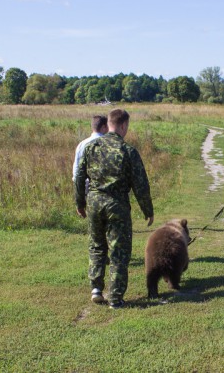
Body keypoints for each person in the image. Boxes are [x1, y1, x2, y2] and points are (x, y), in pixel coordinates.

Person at [75, 109, 154, 309]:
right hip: (117, 205)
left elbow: (79, 177)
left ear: (108, 123)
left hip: (94, 202)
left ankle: (96, 288)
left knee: (97, 246)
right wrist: (148, 210)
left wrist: (80, 203)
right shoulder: (128, 151)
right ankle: (116, 298)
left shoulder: (90, 147)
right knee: (119, 250)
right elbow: (140, 184)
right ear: (123, 125)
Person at [72, 115, 108, 182]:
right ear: (103, 127)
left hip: (84, 185)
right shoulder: (107, 144)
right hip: (101, 186)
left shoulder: (82, 144)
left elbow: (76, 169)